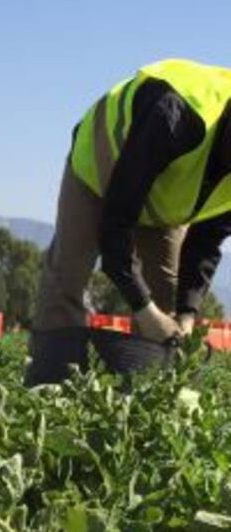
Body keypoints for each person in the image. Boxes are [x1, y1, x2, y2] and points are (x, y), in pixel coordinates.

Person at [28, 58, 231, 383]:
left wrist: (187, 314)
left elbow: (208, 240)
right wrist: (143, 309)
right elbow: (116, 222)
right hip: (100, 168)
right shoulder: (179, 112)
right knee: (68, 276)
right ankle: (50, 389)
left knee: (164, 295)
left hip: (164, 199)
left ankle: (139, 402)